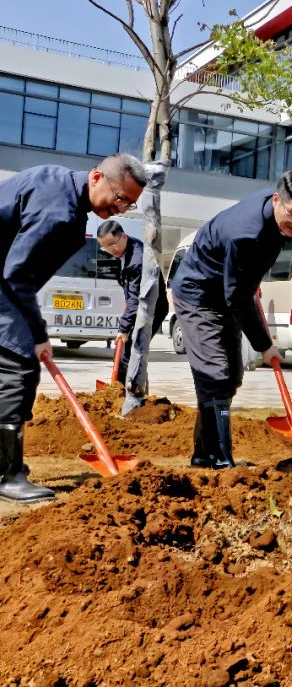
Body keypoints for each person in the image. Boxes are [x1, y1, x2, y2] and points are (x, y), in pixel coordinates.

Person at [0, 154, 147, 502]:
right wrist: (37, 335)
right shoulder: (58, 211)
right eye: (121, 198)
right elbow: (17, 276)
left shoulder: (62, 188)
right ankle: (8, 476)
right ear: (97, 177)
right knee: (18, 367)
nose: (123, 209)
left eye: (131, 204)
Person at [171, 171, 292, 469]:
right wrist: (265, 345)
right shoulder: (247, 233)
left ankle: (204, 454)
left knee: (231, 378)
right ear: (277, 200)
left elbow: (241, 289)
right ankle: (222, 461)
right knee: (216, 374)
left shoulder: (275, 215)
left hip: (226, 292)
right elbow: (237, 295)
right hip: (198, 294)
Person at [96, 220, 169, 384]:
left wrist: (124, 328)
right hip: (140, 304)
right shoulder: (124, 252)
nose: (110, 250)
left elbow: (136, 298)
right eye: (105, 247)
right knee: (130, 352)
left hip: (152, 308)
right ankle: (130, 392)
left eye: (112, 244)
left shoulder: (138, 260)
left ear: (123, 236)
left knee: (131, 352)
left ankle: (129, 395)